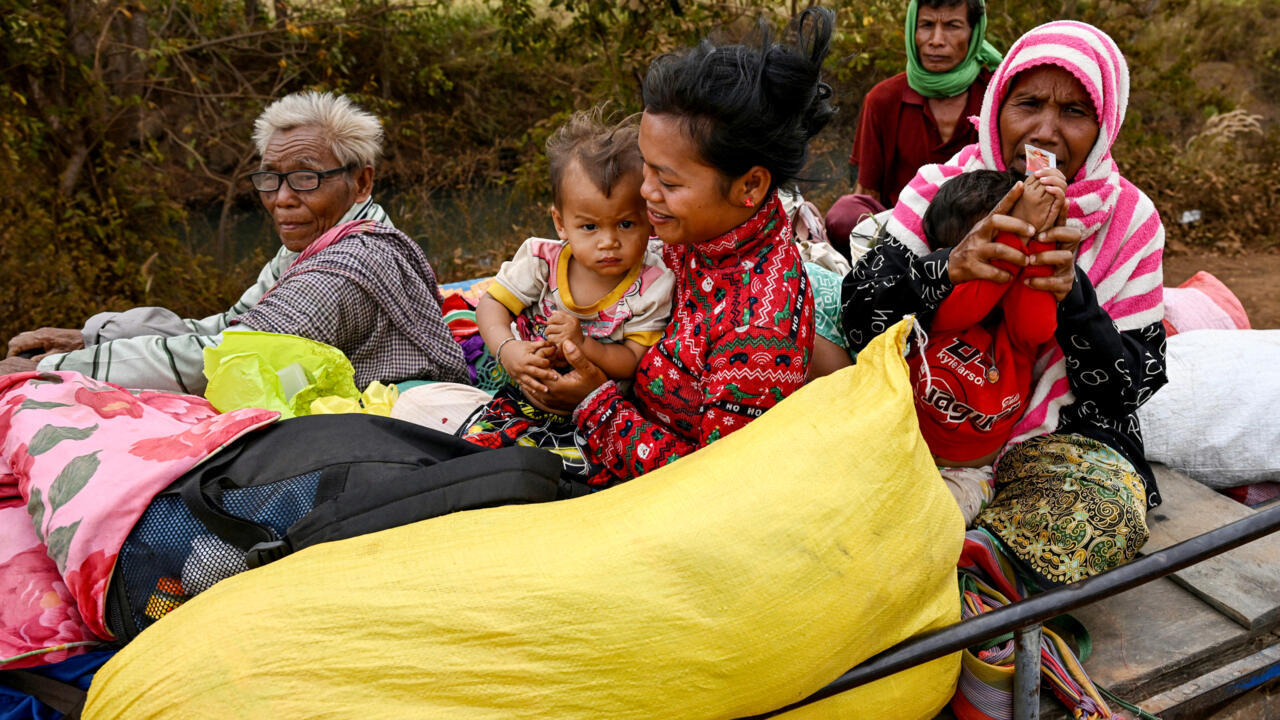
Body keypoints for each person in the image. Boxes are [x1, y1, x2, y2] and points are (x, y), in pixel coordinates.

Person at [841, 21, 1167, 586]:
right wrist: (948, 269)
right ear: (996, 107)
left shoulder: (1129, 221)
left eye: (1074, 112)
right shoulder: (942, 185)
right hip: (912, 420)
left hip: (1049, 446)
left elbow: (1127, 387)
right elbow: (859, 320)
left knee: (1105, 515)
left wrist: (1072, 296)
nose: (1045, 131)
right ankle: (947, 562)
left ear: (1104, 124)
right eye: (1029, 103)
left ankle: (963, 567)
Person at [526, 7, 832, 487]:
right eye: (644, 167)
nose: (645, 192)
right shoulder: (693, 235)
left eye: (666, 180)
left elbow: (718, 485)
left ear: (749, 184)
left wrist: (592, 403)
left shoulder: (757, 329)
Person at [3, 91, 469, 392]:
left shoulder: (348, 267)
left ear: (360, 182)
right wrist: (93, 335)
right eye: (271, 179)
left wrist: (58, 368)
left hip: (397, 430)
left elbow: (226, 356)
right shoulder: (311, 245)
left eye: (306, 178)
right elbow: (228, 324)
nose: (281, 200)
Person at [462, 109, 674, 477]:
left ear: (648, 218)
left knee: (571, 480)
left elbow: (634, 359)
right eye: (589, 226)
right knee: (472, 455)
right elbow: (491, 305)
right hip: (525, 397)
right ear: (561, 223)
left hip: (595, 413)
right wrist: (508, 350)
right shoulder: (541, 261)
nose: (609, 242)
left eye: (626, 224)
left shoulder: (652, 284)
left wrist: (585, 345)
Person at [824, 0, 1002, 256]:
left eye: (953, 26)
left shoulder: (997, 97)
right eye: (926, 25)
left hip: (979, 235)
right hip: (897, 235)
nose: (936, 40)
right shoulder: (883, 100)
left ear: (974, 34)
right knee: (843, 216)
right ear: (912, 31)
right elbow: (865, 194)